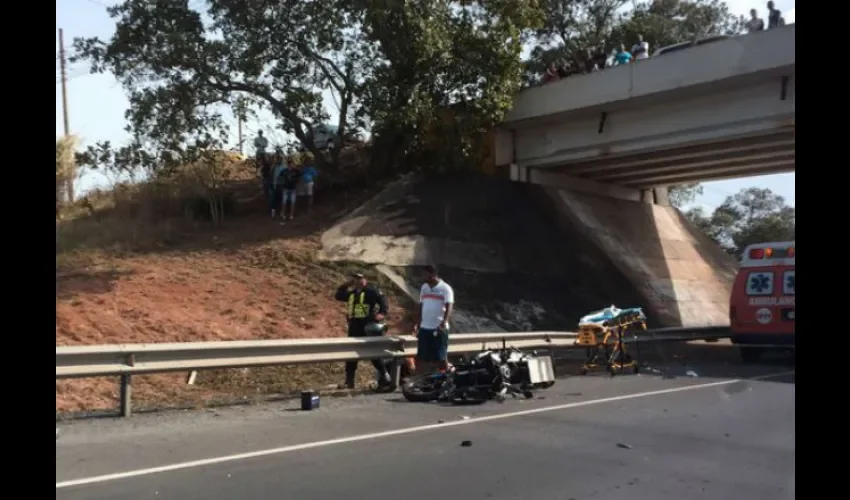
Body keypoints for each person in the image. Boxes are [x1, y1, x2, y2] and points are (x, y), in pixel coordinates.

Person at [334, 272, 394, 390]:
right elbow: (338, 295)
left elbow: (383, 299)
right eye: (355, 278)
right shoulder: (353, 293)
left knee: (373, 353)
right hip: (354, 326)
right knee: (351, 354)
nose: (357, 281)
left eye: (360, 278)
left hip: (367, 326)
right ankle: (349, 381)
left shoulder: (371, 291)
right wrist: (347, 284)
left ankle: (385, 376)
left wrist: (382, 313)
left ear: (365, 279)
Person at [412, 265, 455, 373]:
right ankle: (423, 379)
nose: (422, 276)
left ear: (433, 274)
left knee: (440, 358)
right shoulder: (424, 287)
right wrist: (418, 322)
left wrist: (444, 322)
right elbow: (422, 305)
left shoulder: (445, 288)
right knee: (422, 358)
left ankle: (447, 375)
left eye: (424, 274)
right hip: (424, 328)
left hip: (438, 328)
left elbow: (449, 306)